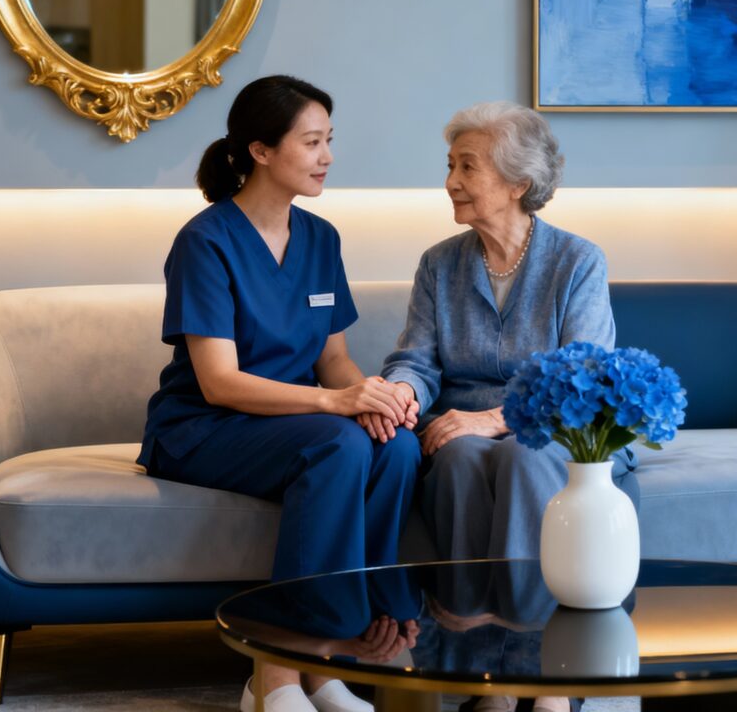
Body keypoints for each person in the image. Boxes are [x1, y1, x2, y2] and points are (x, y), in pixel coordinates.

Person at [138, 75, 421, 712]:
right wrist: (334, 404)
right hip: (204, 428)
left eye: (329, 141)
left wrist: (372, 396)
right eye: (312, 142)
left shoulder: (320, 238)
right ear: (261, 151)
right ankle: (278, 675)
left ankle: (334, 660)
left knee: (397, 446)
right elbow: (220, 382)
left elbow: (334, 360)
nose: (328, 157)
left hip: (292, 424)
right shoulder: (206, 241)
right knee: (338, 446)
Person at [380, 101, 639, 712]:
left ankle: (547, 681)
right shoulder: (439, 264)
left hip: (558, 426)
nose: (450, 181)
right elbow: (416, 359)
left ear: (519, 183)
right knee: (459, 458)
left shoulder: (577, 261)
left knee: (525, 459)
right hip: (463, 431)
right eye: (450, 165)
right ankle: (482, 682)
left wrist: (495, 419)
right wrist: (401, 394)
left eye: (467, 167)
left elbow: (580, 376)